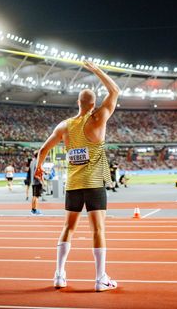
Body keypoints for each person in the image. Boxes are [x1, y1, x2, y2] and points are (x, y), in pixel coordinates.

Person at [35, 61, 119, 292]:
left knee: (68, 228)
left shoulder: (64, 126)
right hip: (94, 183)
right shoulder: (98, 117)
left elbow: (42, 150)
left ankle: (59, 275)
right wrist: (97, 71)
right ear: (93, 104)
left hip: (73, 184)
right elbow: (115, 91)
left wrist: (39, 168)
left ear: (78, 103)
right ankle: (100, 279)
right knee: (98, 230)